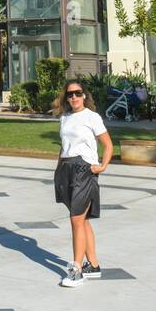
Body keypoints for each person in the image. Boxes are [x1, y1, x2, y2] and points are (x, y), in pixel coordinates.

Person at [53, 79, 113, 288]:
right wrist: (58, 169)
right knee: (82, 220)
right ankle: (93, 266)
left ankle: (76, 270)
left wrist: (102, 166)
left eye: (78, 93)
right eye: (70, 94)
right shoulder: (64, 118)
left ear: (84, 95)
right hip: (66, 169)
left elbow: (107, 145)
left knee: (75, 219)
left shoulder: (92, 117)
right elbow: (64, 146)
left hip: (84, 170)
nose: (74, 97)